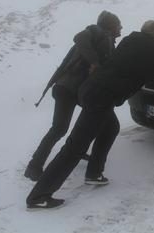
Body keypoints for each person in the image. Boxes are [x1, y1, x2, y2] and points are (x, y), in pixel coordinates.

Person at [25, 20, 154, 210]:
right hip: (100, 98)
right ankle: (39, 196)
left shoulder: (128, 42)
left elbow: (134, 63)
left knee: (111, 128)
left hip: (91, 90)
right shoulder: (153, 51)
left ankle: (94, 173)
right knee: (74, 147)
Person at [24, 11, 122, 181]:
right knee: (63, 128)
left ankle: (70, 154)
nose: (121, 27)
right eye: (118, 24)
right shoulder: (103, 40)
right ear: (110, 26)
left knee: (80, 125)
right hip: (72, 90)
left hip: (66, 87)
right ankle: (34, 167)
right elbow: (105, 69)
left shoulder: (91, 38)